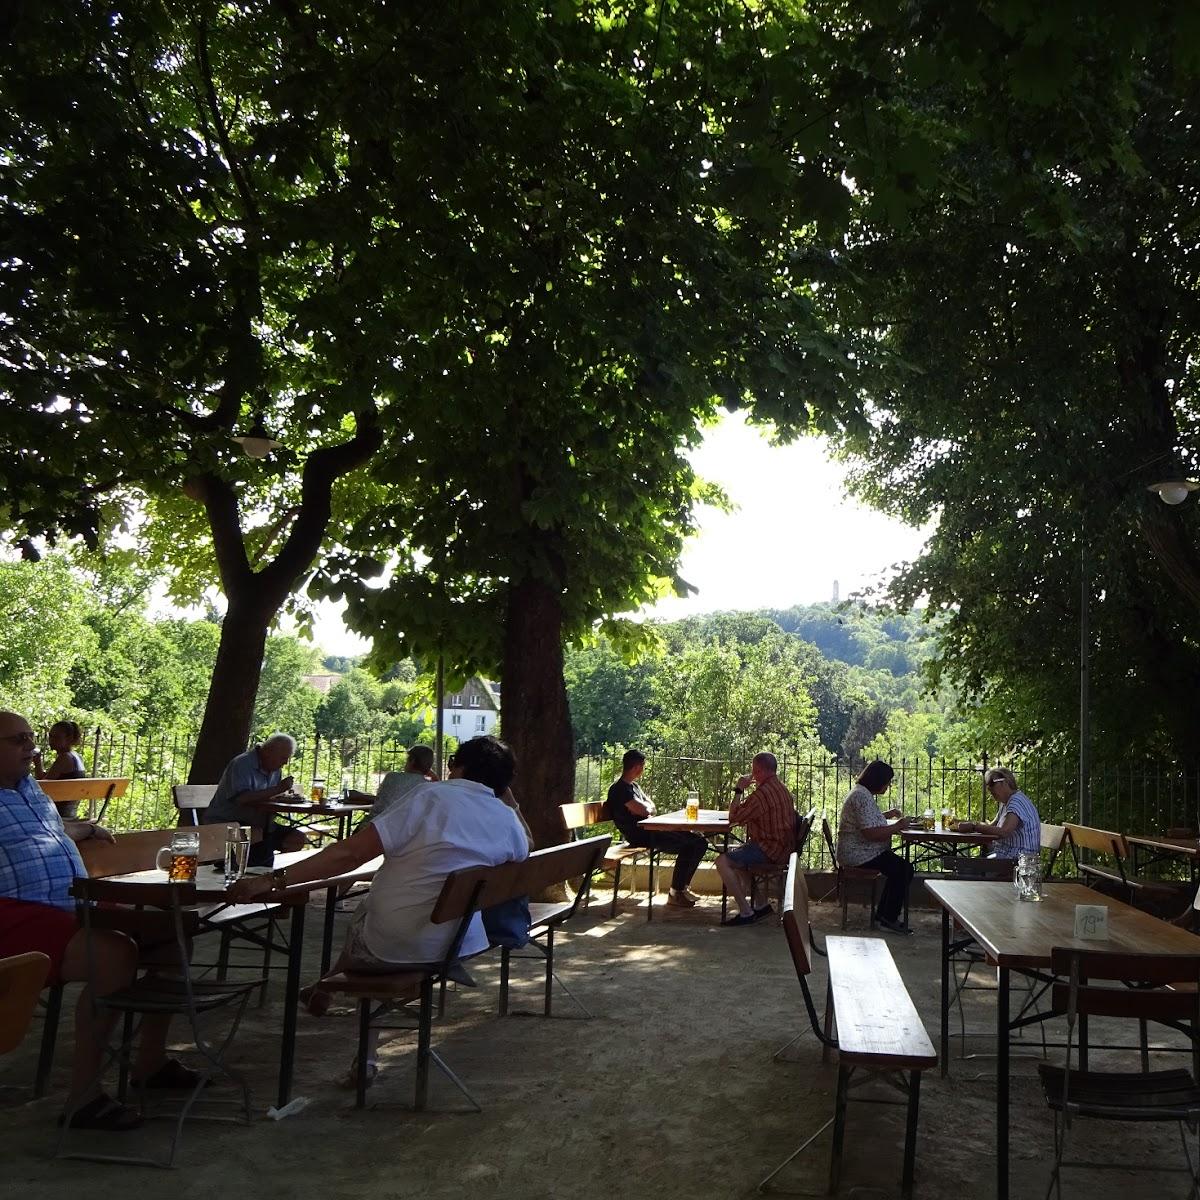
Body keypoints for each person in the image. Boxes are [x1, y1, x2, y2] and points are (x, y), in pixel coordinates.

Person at [230, 734, 529, 1087]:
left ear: (455, 767)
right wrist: (511, 804)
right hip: (456, 943)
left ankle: (334, 998)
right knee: (378, 912)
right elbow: (528, 847)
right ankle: (333, 1003)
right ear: (503, 782)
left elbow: (351, 855)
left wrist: (274, 881)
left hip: (396, 944)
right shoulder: (505, 818)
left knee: (373, 913)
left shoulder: (429, 796)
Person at [0, 711, 192, 1131]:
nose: (31, 747)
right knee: (113, 952)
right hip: (14, 913)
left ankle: (150, 1063)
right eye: (18, 740)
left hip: (69, 902)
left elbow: (36, 830)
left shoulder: (28, 787)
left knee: (170, 934)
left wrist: (79, 827)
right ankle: (84, 1098)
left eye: (32, 737)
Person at [605, 749, 706, 909]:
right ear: (638, 767)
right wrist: (645, 808)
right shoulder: (619, 790)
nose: (643, 770)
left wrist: (645, 808)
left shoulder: (634, 787)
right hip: (640, 835)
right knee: (690, 844)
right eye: (643, 766)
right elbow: (645, 810)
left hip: (651, 830)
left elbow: (651, 807)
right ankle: (675, 893)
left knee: (700, 841)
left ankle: (682, 888)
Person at [716, 751, 799, 925]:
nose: (752, 774)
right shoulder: (781, 788)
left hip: (770, 850)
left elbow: (734, 817)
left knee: (723, 861)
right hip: (784, 848)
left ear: (759, 771)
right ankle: (761, 905)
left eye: (753, 770)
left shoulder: (762, 794)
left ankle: (746, 912)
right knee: (739, 855)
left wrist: (739, 790)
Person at [836, 760, 916, 934]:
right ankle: (887, 918)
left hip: (863, 850)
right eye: (887, 781)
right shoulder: (861, 796)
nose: (888, 786)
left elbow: (867, 819)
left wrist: (887, 814)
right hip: (857, 854)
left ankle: (884, 916)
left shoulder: (862, 793)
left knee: (900, 869)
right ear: (878, 780)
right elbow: (870, 833)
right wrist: (898, 826)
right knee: (903, 870)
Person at [201, 733, 306, 866]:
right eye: (283, 758)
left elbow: (270, 796)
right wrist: (278, 789)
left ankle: (266, 872)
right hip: (229, 821)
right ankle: (244, 871)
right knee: (259, 837)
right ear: (269, 752)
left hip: (260, 824)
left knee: (296, 838)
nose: (285, 763)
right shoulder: (242, 764)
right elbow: (242, 799)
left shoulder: (275, 769)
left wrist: (284, 797)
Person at [956, 767, 1041, 860]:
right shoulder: (1006, 802)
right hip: (1008, 855)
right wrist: (968, 823)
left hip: (1019, 859)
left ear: (1005, 783)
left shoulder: (1016, 802)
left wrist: (974, 827)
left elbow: (1004, 831)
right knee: (964, 864)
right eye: (988, 784)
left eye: (992, 783)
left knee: (962, 864)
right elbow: (992, 826)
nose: (989, 788)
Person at [348, 745, 436, 819]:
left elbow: (381, 801)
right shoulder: (429, 787)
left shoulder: (392, 777)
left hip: (376, 827)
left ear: (412, 761)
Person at [33, 719, 88, 818]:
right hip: (70, 812)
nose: (51, 740)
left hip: (58, 813)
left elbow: (42, 786)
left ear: (69, 739)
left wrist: (37, 763)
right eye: (50, 736)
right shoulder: (77, 757)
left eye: (57, 737)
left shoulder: (65, 758)